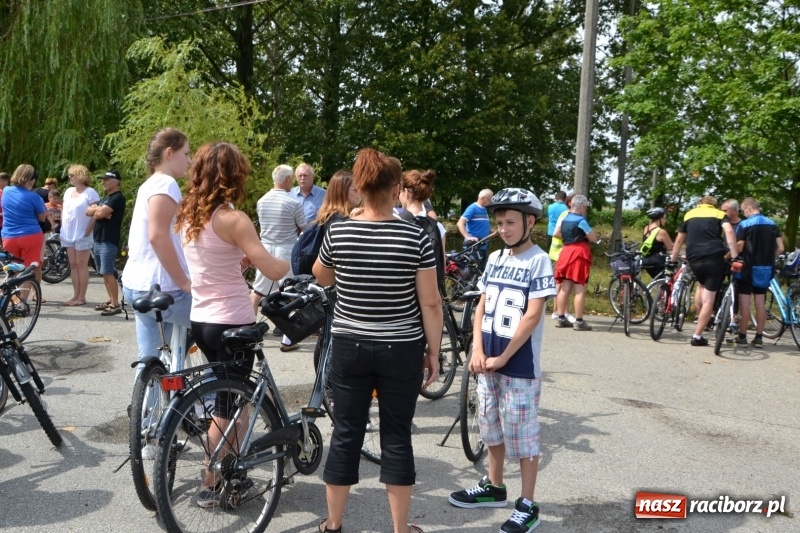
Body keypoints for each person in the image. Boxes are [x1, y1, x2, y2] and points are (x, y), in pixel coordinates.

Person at [312, 147, 442, 533]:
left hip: (349, 346)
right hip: (401, 348)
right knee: (397, 435)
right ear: (397, 187)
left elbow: (321, 275)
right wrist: (434, 352)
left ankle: (333, 524)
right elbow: (431, 303)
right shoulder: (415, 236)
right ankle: (401, 529)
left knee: (346, 433)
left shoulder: (339, 231)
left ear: (361, 187)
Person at [177, 141, 288, 507]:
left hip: (202, 319)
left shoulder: (188, 214)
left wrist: (238, 259)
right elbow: (271, 269)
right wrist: (292, 262)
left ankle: (225, 473)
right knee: (230, 408)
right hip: (232, 321)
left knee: (223, 399)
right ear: (234, 176)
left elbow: (214, 258)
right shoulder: (233, 218)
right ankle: (212, 482)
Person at [449, 187, 554, 533]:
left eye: (510, 222)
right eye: (500, 222)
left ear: (529, 221)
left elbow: (533, 315)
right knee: (490, 425)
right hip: (487, 361)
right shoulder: (495, 258)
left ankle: (528, 504)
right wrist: (478, 350)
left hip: (519, 365)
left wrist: (504, 357)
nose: (504, 229)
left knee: (523, 436)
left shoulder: (538, 260)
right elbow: (481, 306)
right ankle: (494, 487)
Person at [122, 127, 193, 372]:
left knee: (149, 360)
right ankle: (214, 398)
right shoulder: (166, 183)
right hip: (163, 286)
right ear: (169, 153)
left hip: (136, 285)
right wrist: (185, 282)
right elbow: (157, 236)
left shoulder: (148, 184)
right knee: (220, 326)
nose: (189, 160)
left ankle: (145, 407)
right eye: (186, 153)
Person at [670, 196, 739, 347]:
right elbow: (729, 232)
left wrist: (673, 260)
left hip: (694, 260)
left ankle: (698, 317)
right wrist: (735, 256)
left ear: (700, 204)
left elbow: (679, 239)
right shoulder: (720, 215)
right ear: (714, 205)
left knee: (701, 287)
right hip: (714, 259)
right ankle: (697, 335)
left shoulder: (689, 214)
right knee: (709, 299)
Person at [251, 164, 307, 350]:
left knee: (258, 290)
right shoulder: (293, 203)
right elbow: (303, 228)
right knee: (290, 291)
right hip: (286, 249)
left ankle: (249, 327)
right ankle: (288, 337)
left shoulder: (262, 201)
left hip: (265, 248)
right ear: (287, 179)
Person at [730, 197, 783, 348]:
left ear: (748, 208)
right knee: (760, 303)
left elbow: (739, 247)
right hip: (765, 269)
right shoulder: (772, 224)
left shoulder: (744, 224)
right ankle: (759, 338)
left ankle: (742, 336)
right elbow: (781, 248)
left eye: (742, 210)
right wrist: (769, 258)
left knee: (745, 303)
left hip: (747, 268)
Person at [553, 194, 597, 331]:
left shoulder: (564, 218)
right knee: (580, 289)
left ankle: (561, 318)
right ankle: (579, 321)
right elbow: (593, 238)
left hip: (565, 252)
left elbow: (558, 233)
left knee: (565, 287)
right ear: (582, 206)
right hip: (579, 254)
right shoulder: (581, 221)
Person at [1, 165, 48, 289]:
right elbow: (42, 218)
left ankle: (6, 298)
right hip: (30, 235)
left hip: (9, 236)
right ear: (31, 180)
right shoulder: (35, 197)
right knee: (28, 270)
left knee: (12, 269)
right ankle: (22, 305)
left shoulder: (6, 191)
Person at [86, 170, 126, 316]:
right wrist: (99, 210)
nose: (103, 182)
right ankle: (110, 300)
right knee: (103, 272)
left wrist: (99, 211)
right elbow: (88, 211)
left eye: (106, 180)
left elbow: (99, 214)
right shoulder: (105, 199)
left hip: (108, 239)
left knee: (109, 272)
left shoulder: (118, 198)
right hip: (98, 238)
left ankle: (115, 304)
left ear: (115, 182)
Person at [60, 165, 100, 306]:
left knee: (81, 264)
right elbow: (65, 210)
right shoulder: (68, 191)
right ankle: (75, 295)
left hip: (82, 232)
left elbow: (96, 213)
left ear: (81, 176)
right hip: (68, 232)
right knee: (73, 264)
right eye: (70, 175)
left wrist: (88, 230)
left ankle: (81, 297)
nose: (70, 177)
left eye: (73, 175)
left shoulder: (90, 192)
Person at [399, 168, 446, 262]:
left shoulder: (397, 222)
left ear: (406, 192)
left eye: (400, 191)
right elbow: (442, 264)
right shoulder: (437, 226)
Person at [457, 189, 493, 262]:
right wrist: (468, 237)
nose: (491, 202)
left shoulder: (484, 209)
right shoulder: (472, 208)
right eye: (490, 199)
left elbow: (484, 226)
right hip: (473, 247)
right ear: (483, 198)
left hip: (482, 246)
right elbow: (460, 223)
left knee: (482, 270)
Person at [640, 207, 674, 279]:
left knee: (658, 282)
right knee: (669, 280)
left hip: (645, 260)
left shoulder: (646, 228)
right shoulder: (661, 232)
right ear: (660, 219)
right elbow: (670, 247)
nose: (665, 220)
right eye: (665, 218)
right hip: (657, 261)